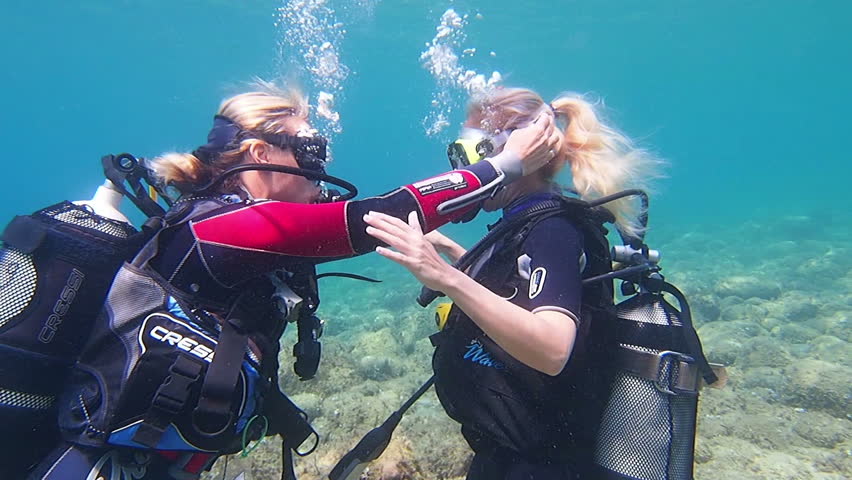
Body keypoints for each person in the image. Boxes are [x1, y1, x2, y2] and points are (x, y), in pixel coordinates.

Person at [24, 84, 560, 479]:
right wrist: (506, 165)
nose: (321, 167)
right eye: (308, 153)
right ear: (261, 154)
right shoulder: (228, 225)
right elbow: (381, 216)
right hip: (93, 462)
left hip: (152, 452)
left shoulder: (234, 222)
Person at [364, 87, 660, 479]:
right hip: (514, 452)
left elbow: (553, 350)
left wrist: (444, 276)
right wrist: (456, 255)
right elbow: (514, 290)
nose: (465, 176)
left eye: (471, 158)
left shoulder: (553, 228)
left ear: (516, 151)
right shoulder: (523, 218)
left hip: (544, 463)